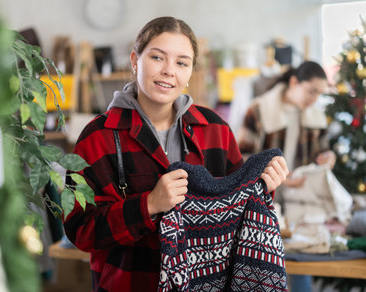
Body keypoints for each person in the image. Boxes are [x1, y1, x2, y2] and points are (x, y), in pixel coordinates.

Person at [63, 16, 289, 292]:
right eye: (158, 57)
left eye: (182, 62)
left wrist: (264, 185)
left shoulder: (215, 129)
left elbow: (237, 211)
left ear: (191, 70)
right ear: (135, 61)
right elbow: (80, 229)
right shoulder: (97, 137)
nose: (170, 71)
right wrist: (148, 205)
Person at [237, 60, 336, 292]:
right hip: (263, 199)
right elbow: (241, 157)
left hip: (300, 200)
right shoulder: (259, 110)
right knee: (264, 267)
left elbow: (322, 152)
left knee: (302, 262)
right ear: (294, 82)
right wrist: (277, 179)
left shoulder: (315, 117)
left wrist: (328, 158)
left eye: (319, 94)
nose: (314, 98)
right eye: (311, 91)